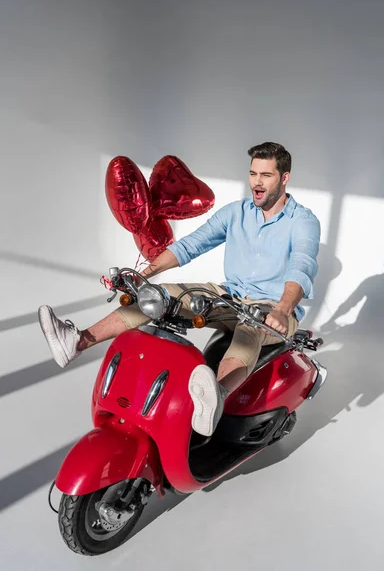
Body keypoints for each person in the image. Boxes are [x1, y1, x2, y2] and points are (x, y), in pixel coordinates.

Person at [38, 142, 320, 437]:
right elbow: (191, 244)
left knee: (248, 330)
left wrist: (282, 308)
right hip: (230, 295)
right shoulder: (237, 212)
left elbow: (301, 266)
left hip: (272, 309)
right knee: (162, 297)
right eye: (253, 174)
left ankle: (217, 398)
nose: (257, 183)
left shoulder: (303, 222)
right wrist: (143, 275)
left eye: (266, 175)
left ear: (284, 178)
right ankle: (78, 341)